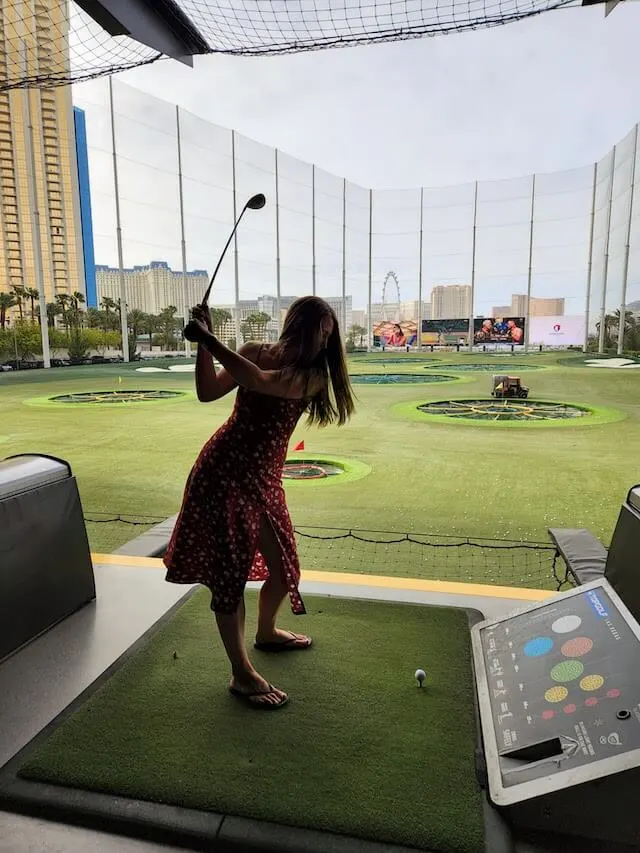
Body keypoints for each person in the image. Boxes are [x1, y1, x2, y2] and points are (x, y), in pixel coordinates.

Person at [164, 296, 355, 710]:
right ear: (300, 325)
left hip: (264, 480)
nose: (325, 342)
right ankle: (241, 672)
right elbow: (206, 391)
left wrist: (210, 339)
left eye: (329, 335)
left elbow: (257, 381)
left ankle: (266, 631)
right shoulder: (252, 350)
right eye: (321, 332)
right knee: (229, 577)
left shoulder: (312, 376)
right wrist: (203, 343)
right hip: (221, 473)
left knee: (286, 569)